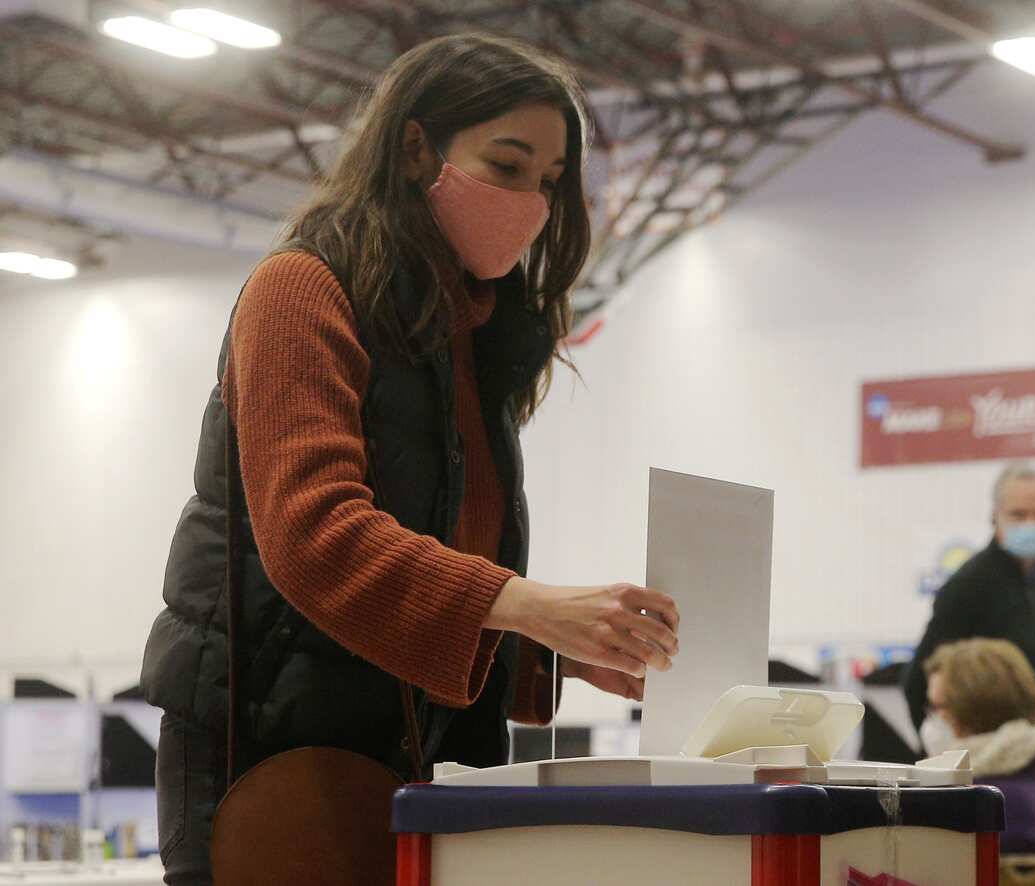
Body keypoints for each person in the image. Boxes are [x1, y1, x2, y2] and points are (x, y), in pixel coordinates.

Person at [139, 35, 679, 885]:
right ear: (415, 146)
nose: (534, 203)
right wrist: (531, 605)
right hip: (276, 762)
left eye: (548, 181)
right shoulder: (301, 291)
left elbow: (433, 570)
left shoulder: (468, 339)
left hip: (410, 762)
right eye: (506, 166)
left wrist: (557, 649)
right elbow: (317, 539)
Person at [903, 463, 1035, 799]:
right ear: (996, 514)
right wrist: (942, 758)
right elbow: (918, 680)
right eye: (1019, 513)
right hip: (994, 762)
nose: (1031, 523)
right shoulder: (969, 585)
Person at [922, 639, 1035, 855]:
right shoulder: (1030, 774)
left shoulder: (981, 801)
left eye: (938, 707)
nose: (932, 718)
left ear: (973, 709)